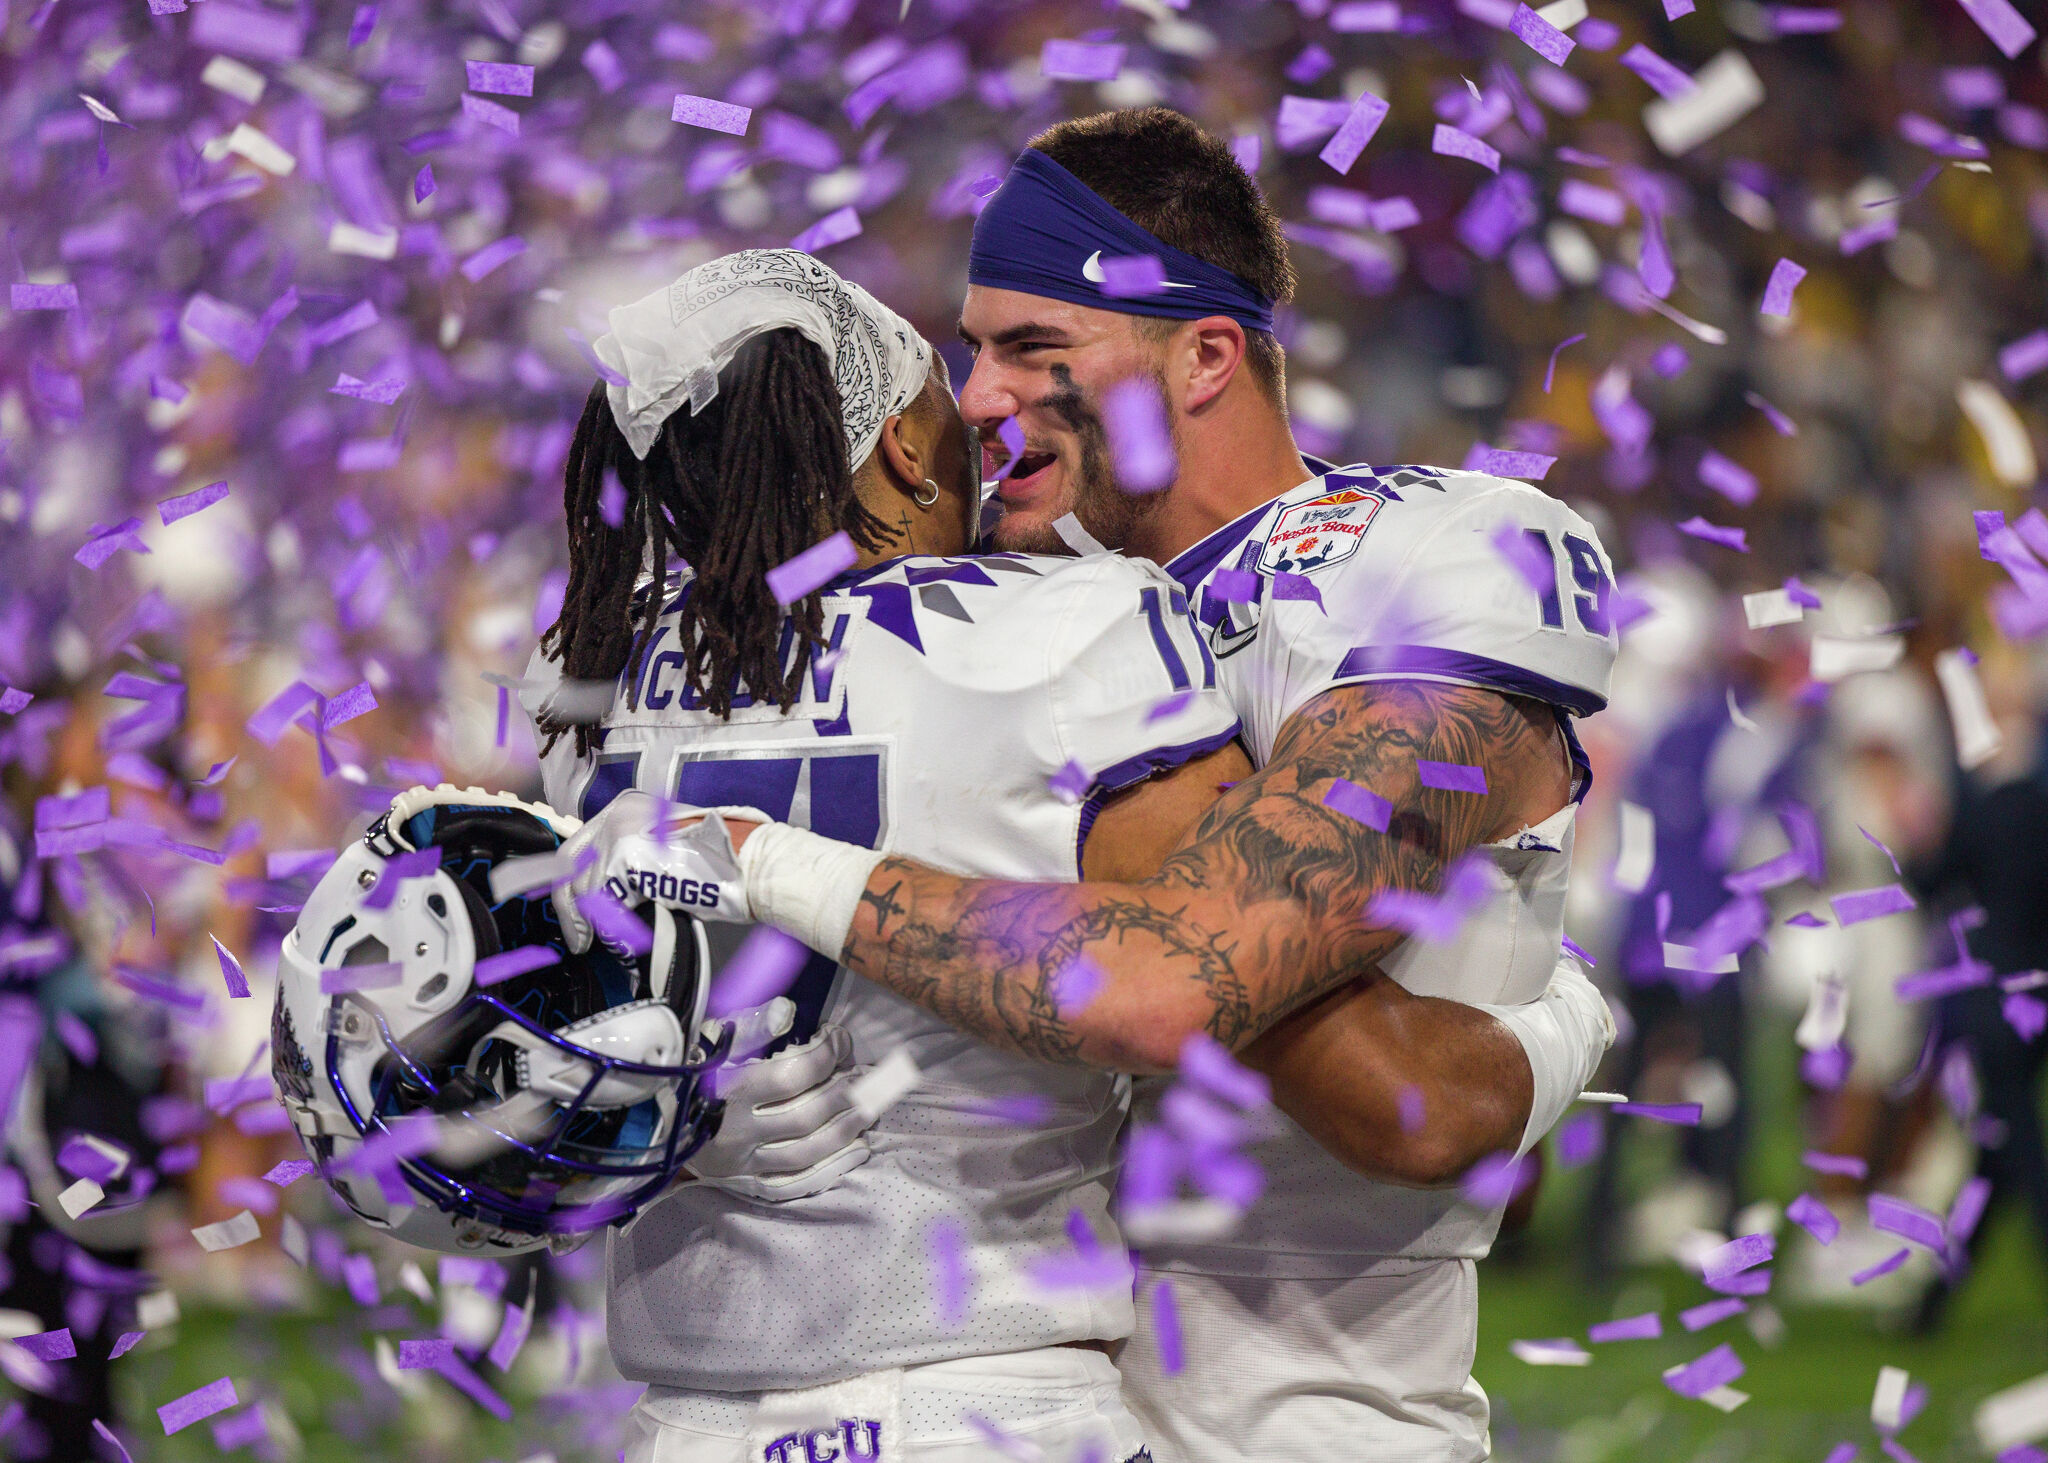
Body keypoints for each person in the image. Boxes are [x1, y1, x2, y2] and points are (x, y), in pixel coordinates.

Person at [562, 112, 1617, 1463]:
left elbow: (1358, 1076)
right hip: (993, 1390)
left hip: (1310, 1421)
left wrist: (1570, 1020)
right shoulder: (1004, 604)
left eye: (1033, 349)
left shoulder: (1447, 551)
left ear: (1206, 354)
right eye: (972, 348)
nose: (982, 397)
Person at [524, 247, 1245, 1463]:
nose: (971, 411)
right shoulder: (1066, 625)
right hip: (989, 1395)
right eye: (937, 392)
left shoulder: (584, 678)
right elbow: (1219, 982)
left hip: (683, 1421)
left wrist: (671, 1126)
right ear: (901, 447)